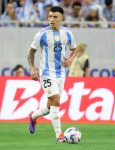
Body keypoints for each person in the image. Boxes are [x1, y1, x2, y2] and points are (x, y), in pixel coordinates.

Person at [27, 6, 78, 142]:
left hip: (61, 73)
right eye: (50, 16)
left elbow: (74, 48)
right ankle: (59, 135)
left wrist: (71, 59)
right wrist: (32, 68)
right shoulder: (41, 34)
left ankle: (33, 116)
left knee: (51, 106)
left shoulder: (67, 34)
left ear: (62, 18)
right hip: (46, 73)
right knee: (56, 100)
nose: (52, 20)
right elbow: (31, 52)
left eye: (55, 17)